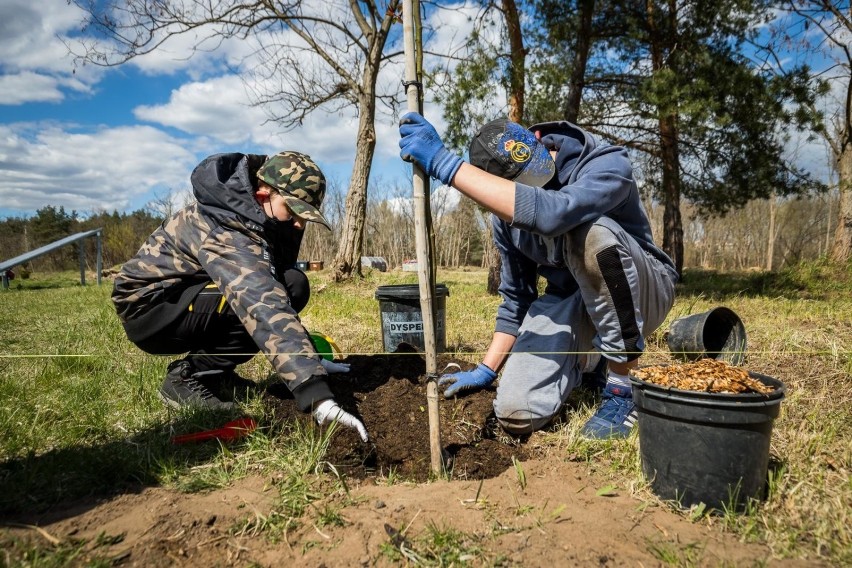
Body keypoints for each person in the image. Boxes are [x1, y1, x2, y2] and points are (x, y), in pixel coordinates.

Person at [399, 113, 678, 439]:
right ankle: (592, 362)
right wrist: (487, 371)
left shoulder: (606, 162)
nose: (545, 179)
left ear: (540, 138)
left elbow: (555, 213)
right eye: (527, 180)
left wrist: (446, 165)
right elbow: (518, 298)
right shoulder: (505, 222)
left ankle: (623, 386)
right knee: (518, 412)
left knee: (589, 233)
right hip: (574, 306)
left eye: (542, 164)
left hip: (643, 293)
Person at [112, 151, 368, 442]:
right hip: (152, 307)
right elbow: (263, 303)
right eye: (294, 211)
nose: (299, 224)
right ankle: (185, 378)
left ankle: (213, 373)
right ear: (263, 194)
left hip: (190, 295)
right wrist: (316, 394)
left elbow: (277, 292)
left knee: (293, 284)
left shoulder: (260, 217)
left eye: (305, 215)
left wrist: (311, 354)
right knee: (254, 304)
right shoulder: (227, 225)